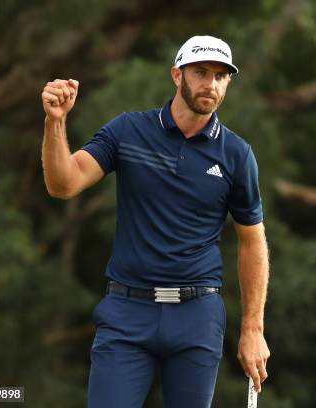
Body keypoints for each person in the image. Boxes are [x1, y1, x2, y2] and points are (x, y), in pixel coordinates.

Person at [40, 35, 270, 408]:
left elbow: (252, 240)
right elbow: (63, 184)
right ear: (177, 75)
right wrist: (55, 123)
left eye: (220, 76)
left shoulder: (236, 155)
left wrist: (253, 329)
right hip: (127, 310)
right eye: (201, 72)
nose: (210, 83)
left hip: (197, 314)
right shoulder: (128, 131)